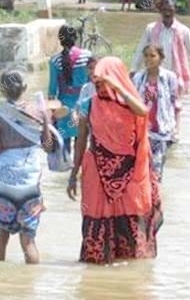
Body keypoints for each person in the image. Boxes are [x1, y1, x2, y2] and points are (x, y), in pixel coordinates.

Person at [67, 57, 163, 265]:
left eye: (103, 81)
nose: (98, 85)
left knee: (131, 224)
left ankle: (130, 276)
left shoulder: (130, 106)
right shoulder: (88, 105)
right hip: (97, 173)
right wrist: (73, 174)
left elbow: (144, 112)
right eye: (96, 82)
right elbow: (81, 141)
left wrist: (118, 86)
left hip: (131, 174)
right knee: (96, 224)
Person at [0, 71, 54, 264]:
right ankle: (30, 289)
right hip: (31, 178)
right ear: (24, 88)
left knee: (0, 238)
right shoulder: (40, 111)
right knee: (28, 241)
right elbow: (48, 147)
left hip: (5, 178)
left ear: (1, 89)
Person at [131, 0, 190, 139]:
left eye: (170, 10)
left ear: (175, 11)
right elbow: (139, 50)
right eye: (165, 10)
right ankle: (153, 130)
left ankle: (175, 133)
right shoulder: (151, 29)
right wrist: (133, 71)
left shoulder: (183, 31)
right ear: (160, 11)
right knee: (153, 102)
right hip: (154, 74)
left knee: (176, 105)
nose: (167, 13)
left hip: (175, 75)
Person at [132, 45, 180, 181]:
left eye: (152, 56)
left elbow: (175, 105)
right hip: (141, 132)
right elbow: (133, 103)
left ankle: (155, 200)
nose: (148, 59)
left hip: (162, 132)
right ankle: (144, 200)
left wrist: (176, 130)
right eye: (146, 55)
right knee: (140, 172)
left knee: (156, 173)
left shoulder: (169, 77)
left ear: (161, 58)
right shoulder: (138, 78)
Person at [49, 25, 93, 157]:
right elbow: (92, 82)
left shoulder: (54, 60)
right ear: (76, 37)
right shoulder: (87, 56)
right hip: (84, 105)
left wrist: (51, 113)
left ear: (60, 39)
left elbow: (52, 90)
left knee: (64, 144)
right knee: (82, 141)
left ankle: (66, 172)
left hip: (64, 106)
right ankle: (78, 170)